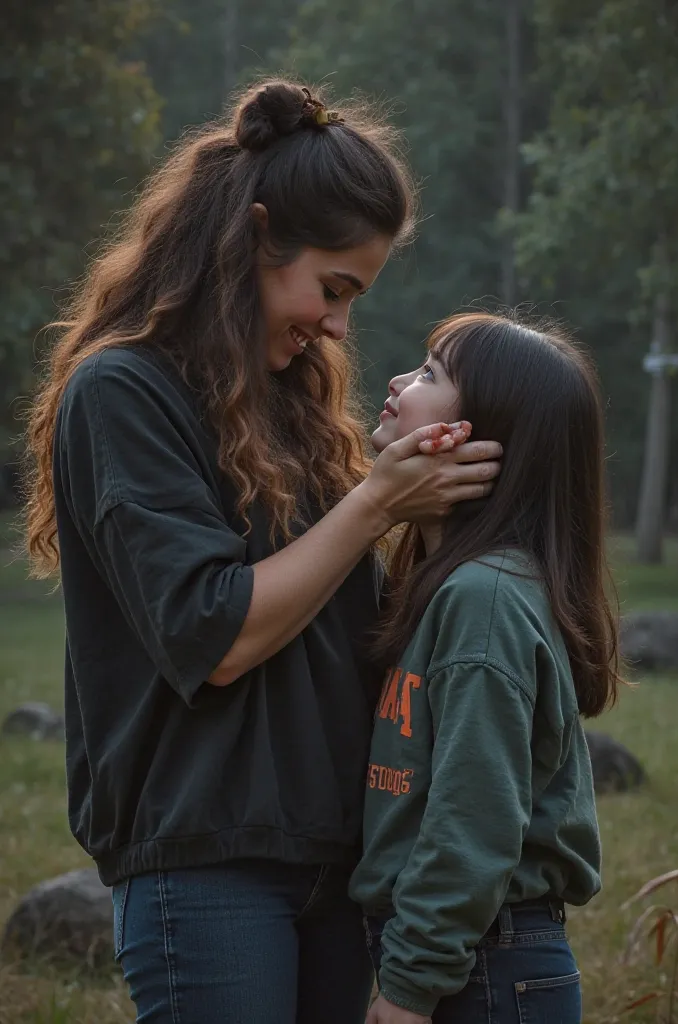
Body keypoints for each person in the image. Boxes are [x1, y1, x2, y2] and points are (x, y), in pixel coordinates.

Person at [23, 82, 501, 1024]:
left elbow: (346, 622)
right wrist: (373, 504)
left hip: (339, 853)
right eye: (333, 289)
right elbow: (218, 634)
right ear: (253, 236)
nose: (336, 327)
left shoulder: (296, 405)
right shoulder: (121, 392)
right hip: (207, 862)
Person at [350, 312, 624, 1024]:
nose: (398, 380)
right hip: (469, 957)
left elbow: (473, 819)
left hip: (482, 971)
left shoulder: (485, 600)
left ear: (477, 439)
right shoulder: (451, 587)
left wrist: (410, 985)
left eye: (432, 373)